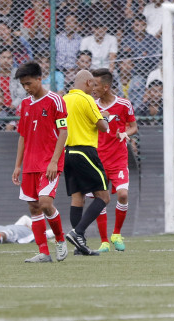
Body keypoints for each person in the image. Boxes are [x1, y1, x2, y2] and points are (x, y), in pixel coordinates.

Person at [12, 61, 69, 263]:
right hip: (29, 164)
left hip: (48, 163)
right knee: (34, 207)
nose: (26, 88)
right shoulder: (25, 105)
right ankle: (44, 252)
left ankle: (60, 240)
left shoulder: (56, 100)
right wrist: (18, 165)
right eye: (23, 85)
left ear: (39, 79)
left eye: (29, 83)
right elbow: (22, 136)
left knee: (45, 203)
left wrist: (54, 161)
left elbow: (64, 130)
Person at [61, 70, 111, 257]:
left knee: (77, 198)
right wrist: (104, 115)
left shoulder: (65, 99)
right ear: (89, 82)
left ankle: (79, 246)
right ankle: (78, 232)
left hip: (67, 152)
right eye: (94, 84)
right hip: (85, 151)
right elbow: (103, 127)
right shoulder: (86, 99)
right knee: (104, 196)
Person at [91, 68, 138, 253]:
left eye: (95, 85)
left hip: (118, 158)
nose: (92, 88)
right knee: (100, 199)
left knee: (123, 195)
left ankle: (116, 233)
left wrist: (125, 133)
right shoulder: (92, 105)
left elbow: (134, 127)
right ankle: (104, 241)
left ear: (106, 86)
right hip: (98, 159)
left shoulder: (124, 104)